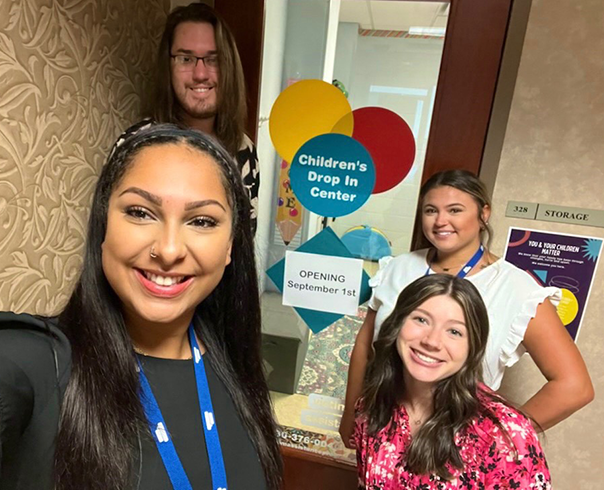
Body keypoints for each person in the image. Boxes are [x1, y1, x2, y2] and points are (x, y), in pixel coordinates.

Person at [0, 125, 281, 490]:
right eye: (140, 212)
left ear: (230, 246)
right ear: (103, 225)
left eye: (202, 221)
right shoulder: (26, 365)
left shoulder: (235, 366)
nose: (167, 250)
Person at [340, 169, 593, 447]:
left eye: (455, 210)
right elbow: (365, 349)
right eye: (430, 210)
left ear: (484, 214)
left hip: (450, 450)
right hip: (384, 435)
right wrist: (351, 415)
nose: (440, 221)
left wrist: (493, 442)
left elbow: (574, 386)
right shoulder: (398, 268)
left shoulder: (516, 289)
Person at [354, 274, 552, 489]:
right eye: (421, 319)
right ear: (397, 324)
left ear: (472, 348)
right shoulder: (369, 408)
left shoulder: (504, 433)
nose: (431, 341)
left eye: (454, 331)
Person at [116, 2, 260, 232]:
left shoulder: (244, 151)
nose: (200, 74)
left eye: (213, 60)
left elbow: (245, 247)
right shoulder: (136, 144)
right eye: (186, 59)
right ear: (168, 66)